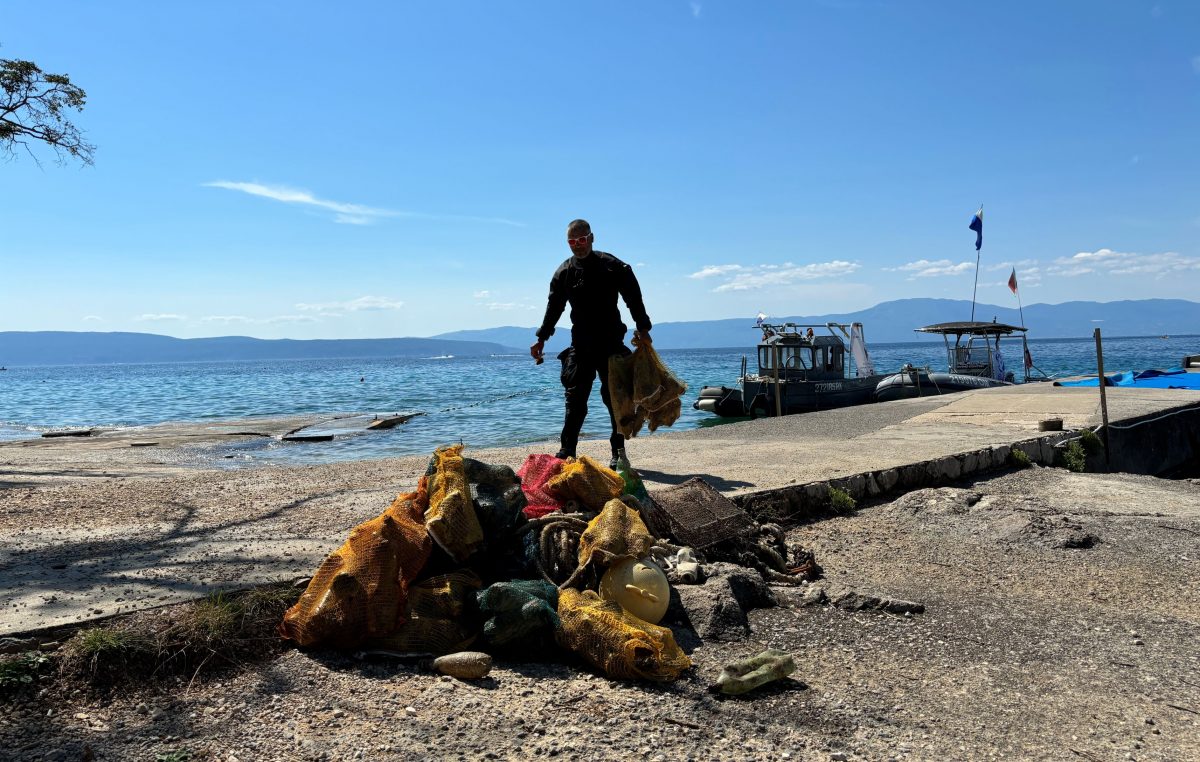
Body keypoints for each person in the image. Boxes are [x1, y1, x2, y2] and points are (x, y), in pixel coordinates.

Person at [530, 219, 652, 470]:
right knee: (575, 401)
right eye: (572, 242)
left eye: (582, 240)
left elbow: (633, 298)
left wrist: (643, 328)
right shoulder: (563, 273)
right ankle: (567, 452)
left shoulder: (612, 266)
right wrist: (542, 337)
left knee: (614, 400)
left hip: (610, 344)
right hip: (582, 345)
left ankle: (618, 451)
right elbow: (554, 307)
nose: (578, 246)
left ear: (592, 238)